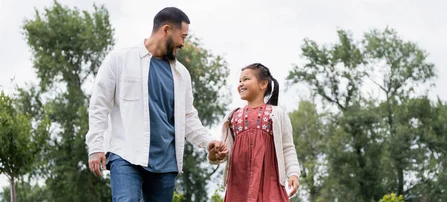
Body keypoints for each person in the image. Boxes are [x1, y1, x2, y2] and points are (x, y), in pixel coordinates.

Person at [85, 7, 228, 202]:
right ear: (166, 30)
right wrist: (96, 147)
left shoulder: (181, 75)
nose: (183, 43)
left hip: (166, 163)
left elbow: (187, 117)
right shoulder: (119, 59)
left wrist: (207, 142)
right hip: (125, 153)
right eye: (182, 36)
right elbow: (99, 106)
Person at [208, 63, 301, 201]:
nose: (241, 84)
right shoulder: (233, 116)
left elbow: (287, 147)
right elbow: (224, 152)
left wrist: (293, 173)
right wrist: (214, 155)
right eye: (239, 81)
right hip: (239, 183)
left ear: (263, 84)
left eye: (246, 79)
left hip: (270, 182)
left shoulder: (277, 114)